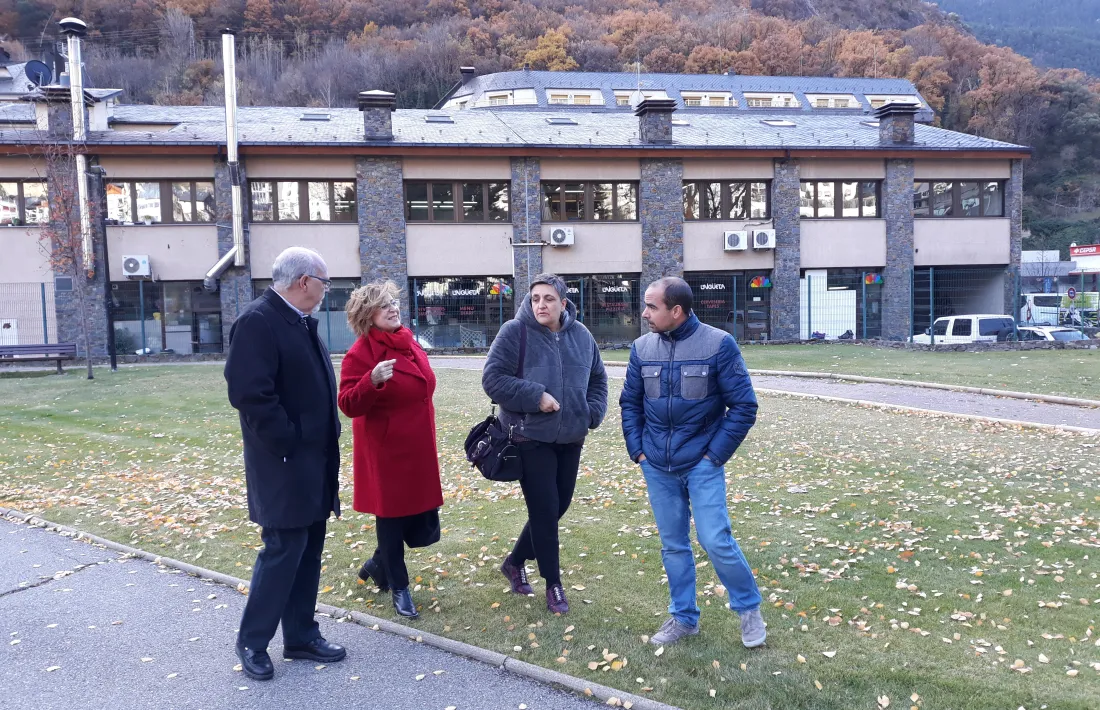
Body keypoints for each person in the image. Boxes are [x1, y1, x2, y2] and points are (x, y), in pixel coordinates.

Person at [620, 277, 765, 649]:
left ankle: (749, 610)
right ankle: (684, 618)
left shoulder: (718, 345)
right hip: (657, 464)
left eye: (652, 306)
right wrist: (638, 450)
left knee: (715, 539)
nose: (645, 313)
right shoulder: (641, 348)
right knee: (673, 545)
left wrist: (713, 455)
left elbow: (744, 406)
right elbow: (630, 403)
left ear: (676, 311)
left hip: (702, 463)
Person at [224, 246, 345, 681]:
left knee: (309, 548)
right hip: (283, 462)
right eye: (324, 282)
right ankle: (253, 641)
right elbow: (250, 395)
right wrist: (289, 440)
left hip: (313, 461)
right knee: (282, 549)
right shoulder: (258, 321)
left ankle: (300, 635)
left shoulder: (297, 320)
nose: (326, 290)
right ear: (303, 281)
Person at [482, 273, 608, 614]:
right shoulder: (514, 332)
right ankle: (554, 585)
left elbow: (598, 378)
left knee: (557, 506)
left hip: (571, 436)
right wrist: (535, 396)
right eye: (535, 298)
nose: (541, 305)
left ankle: (515, 561)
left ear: (563, 303)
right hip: (529, 436)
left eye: (548, 299)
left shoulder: (581, 336)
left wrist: (591, 413)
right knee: (544, 510)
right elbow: (492, 380)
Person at [338, 280, 443, 620]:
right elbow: (347, 403)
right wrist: (371, 381)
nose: (392, 309)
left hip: (417, 445)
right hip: (386, 451)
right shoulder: (360, 354)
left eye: (393, 303)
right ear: (368, 315)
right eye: (384, 305)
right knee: (391, 517)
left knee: (418, 520)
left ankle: (376, 564)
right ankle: (399, 587)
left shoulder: (408, 341)